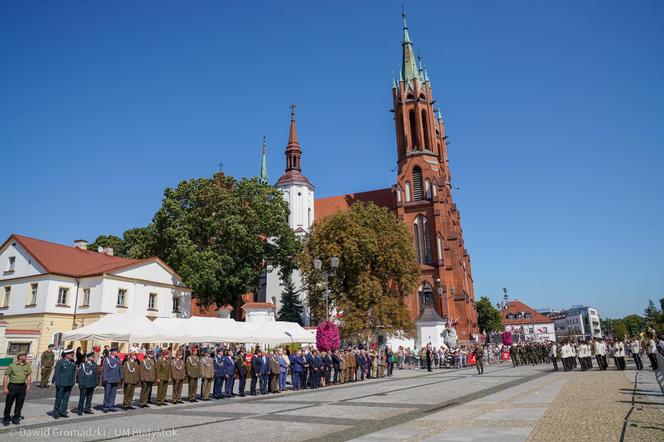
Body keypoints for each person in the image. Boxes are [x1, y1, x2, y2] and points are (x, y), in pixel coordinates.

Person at [3, 351, 32, 426]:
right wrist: (5, 387)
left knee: (19, 403)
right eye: (24, 355)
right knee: (9, 403)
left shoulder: (27, 365)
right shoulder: (12, 365)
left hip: (22, 386)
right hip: (13, 386)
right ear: (19, 357)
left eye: (25, 355)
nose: (25, 356)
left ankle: (16, 418)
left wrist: (28, 385)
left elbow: (28, 375)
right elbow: (6, 376)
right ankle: (6, 418)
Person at [51, 348, 77, 419]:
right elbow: (57, 373)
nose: (72, 355)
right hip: (61, 384)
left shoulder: (72, 362)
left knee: (66, 399)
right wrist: (57, 382)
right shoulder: (60, 362)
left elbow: (74, 373)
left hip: (69, 384)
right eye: (71, 354)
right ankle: (56, 412)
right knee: (59, 398)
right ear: (66, 355)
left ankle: (63, 411)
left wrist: (73, 382)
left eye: (73, 354)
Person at [102, 347, 122, 412]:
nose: (117, 353)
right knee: (107, 393)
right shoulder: (107, 359)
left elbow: (120, 369)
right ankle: (106, 406)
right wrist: (105, 378)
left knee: (113, 393)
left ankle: (111, 405)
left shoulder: (118, 359)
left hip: (116, 378)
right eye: (116, 352)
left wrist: (121, 377)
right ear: (112, 352)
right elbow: (105, 370)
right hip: (109, 379)